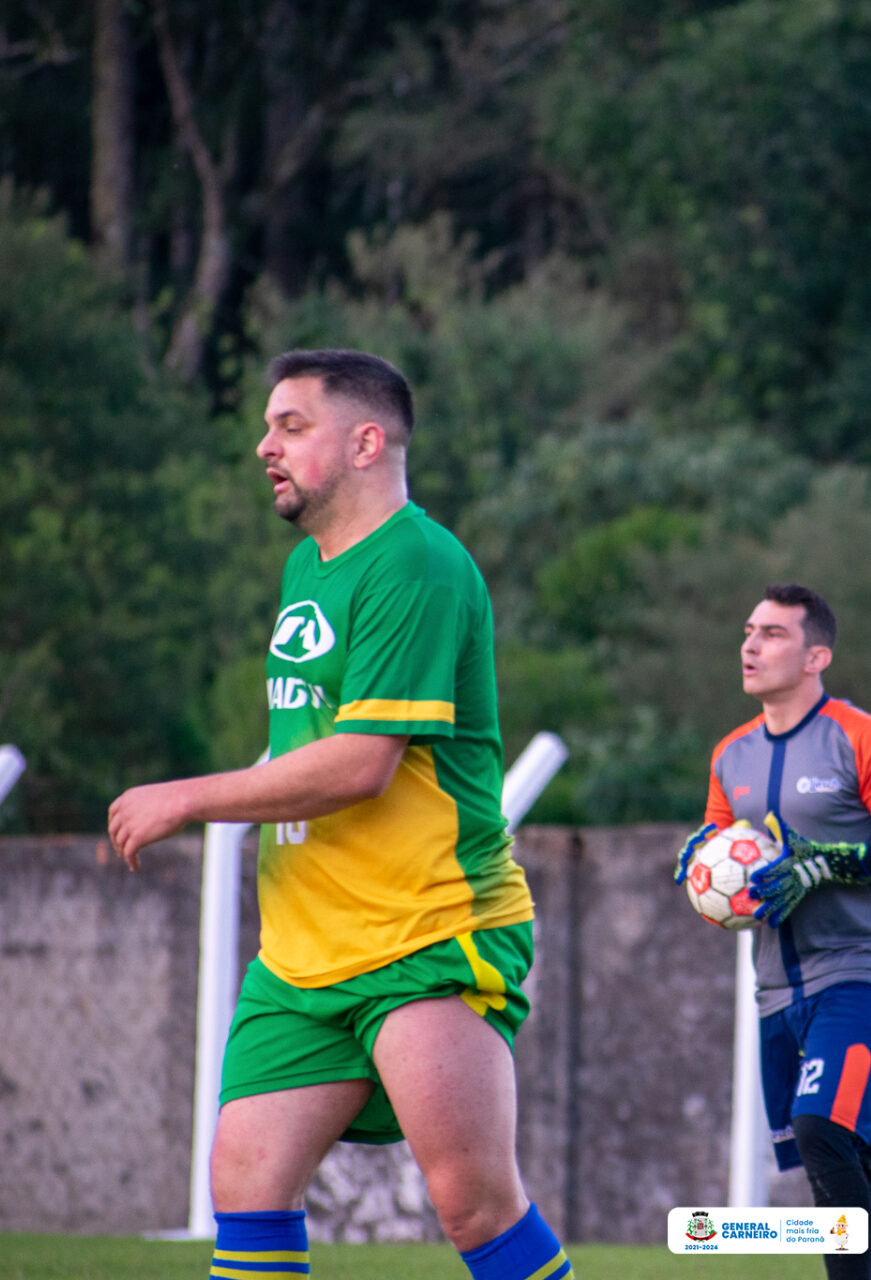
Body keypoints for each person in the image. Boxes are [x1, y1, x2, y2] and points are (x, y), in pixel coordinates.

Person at [106, 350, 571, 1280]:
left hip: (427, 930)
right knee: (244, 1184)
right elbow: (303, 746)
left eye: (290, 426)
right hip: (303, 951)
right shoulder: (307, 568)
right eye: (268, 426)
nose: (262, 447)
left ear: (365, 442)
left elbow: (361, 764)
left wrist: (189, 796)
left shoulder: (420, 565)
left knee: (473, 1205)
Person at [675, 583, 871, 1280]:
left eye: (771, 633)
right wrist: (703, 861)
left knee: (822, 1130)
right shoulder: (729, 755)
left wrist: (830, 863)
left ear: (815, 655)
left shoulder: (865, 739)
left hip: (860, 976)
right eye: (747, 630)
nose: (750, 644)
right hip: (773, 991)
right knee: (842, 1155)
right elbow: (725, 843)